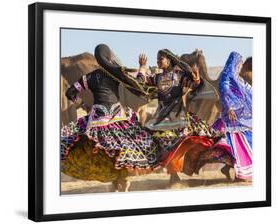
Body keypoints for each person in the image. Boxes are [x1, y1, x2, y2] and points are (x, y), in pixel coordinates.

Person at [137, 49, 235, 182]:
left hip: (179, 117)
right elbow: (140, 83)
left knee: (194, 141)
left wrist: (196, 79)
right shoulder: (157, 78)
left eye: (161, 58)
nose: (158, 61)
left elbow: (194, 85)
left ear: (169, 60)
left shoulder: (179, 76)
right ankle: (173, 175)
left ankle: (227, 164)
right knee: (160, 146)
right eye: (157, 58)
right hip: (161, 119)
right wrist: (142, 67)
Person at [61, 44, 160, 170]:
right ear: (108, 56)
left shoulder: (88, 78)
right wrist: (142, 68)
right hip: (117, 118)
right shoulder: (116, 74)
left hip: (96, 121)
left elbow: (70, 93)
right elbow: (138, 83)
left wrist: (82, 104)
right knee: (139, 144)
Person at [214, 51, 252, 181]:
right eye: (240, 63)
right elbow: (224, 91)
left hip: (244, 118)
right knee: (238, 145)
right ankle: (240, 174)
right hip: (232, 119)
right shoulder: (227, 76)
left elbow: (249, 91)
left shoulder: (238, 79)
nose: (241, 66)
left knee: (248, 142)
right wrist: (229, 107)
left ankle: (232, 169)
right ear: (235, 63)